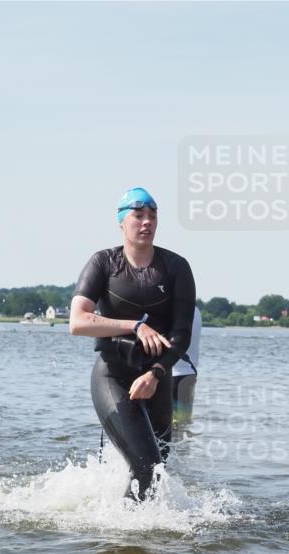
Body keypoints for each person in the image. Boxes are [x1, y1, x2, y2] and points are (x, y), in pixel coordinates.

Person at [70, 187, 196, 501]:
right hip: (112, 375)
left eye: (152, 216)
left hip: (156, 378)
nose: (146, 222)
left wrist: (155, 373)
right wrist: (134, 326)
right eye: (138, 216)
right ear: (121, 223)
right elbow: (78, 322)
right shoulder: (103, 263)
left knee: (158, 474)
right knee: (146, 466)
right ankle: (124, 539)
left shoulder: (176, 267)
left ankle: (136, 531)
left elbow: (182, 335)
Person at [172, 305, 201, 426]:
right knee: (183, 424)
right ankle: (185, 446)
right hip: (189, 374)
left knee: (166, 428)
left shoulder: (169, 308)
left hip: (170, 375)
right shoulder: (195, 310)